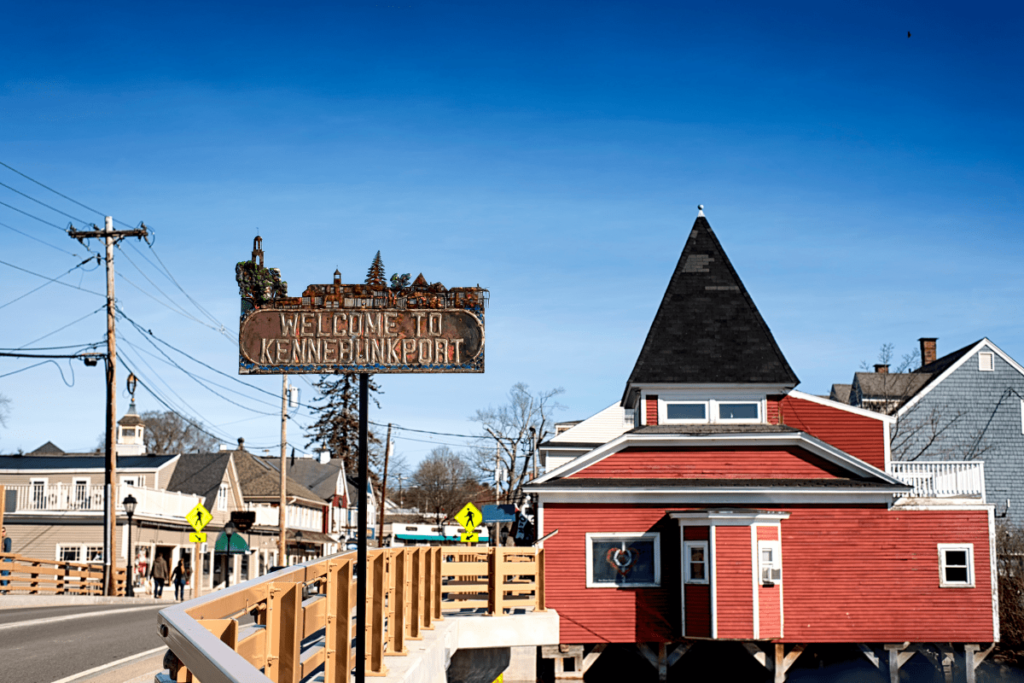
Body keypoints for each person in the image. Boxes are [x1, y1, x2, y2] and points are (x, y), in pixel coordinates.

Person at [1, 526, 11, 594]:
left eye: (3, 531)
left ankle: (4, 589)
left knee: (4, 574)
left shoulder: (7, 539)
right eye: (1, 531)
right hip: (1, 559)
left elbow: (7, 550)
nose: (2, 533)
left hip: (6, 558)